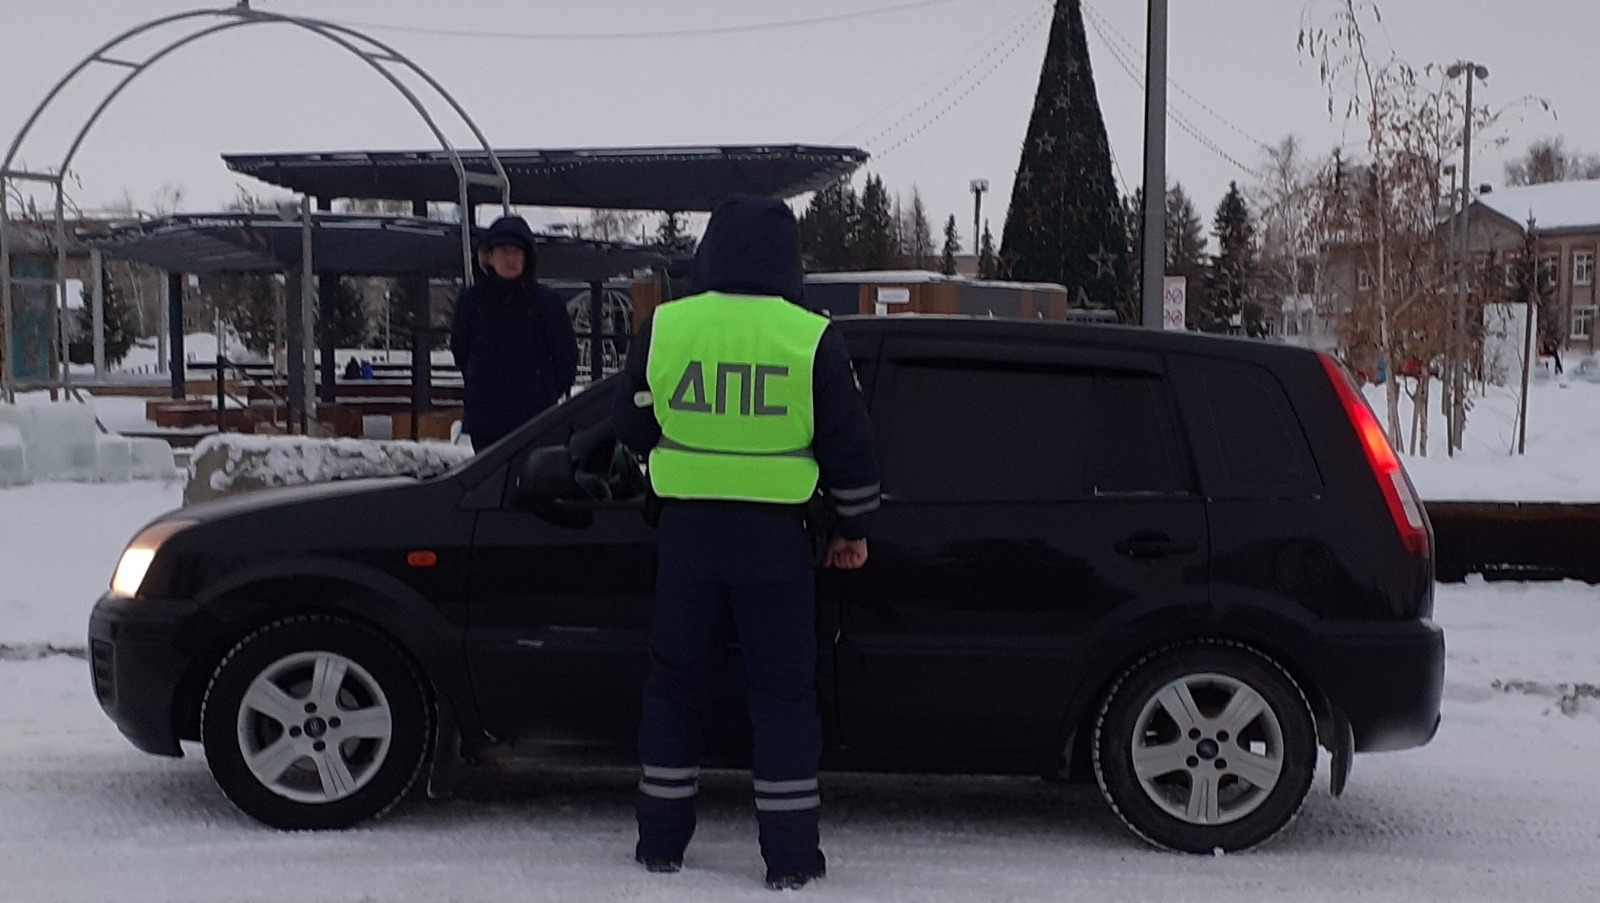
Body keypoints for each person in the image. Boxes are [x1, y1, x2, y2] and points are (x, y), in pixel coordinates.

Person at [613, 195, 879, 890]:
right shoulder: (810, 336)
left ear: (711, 250)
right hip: (776, 542)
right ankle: (790, 861)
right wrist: (851, 529)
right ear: (789, 258)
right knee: (784, 699)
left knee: (674, 688)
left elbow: (633, 428)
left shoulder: (666, 325)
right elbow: (850, 449)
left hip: (688, 536)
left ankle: (660, 846)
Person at [450, 215, 578, 451]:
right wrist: (481, 386)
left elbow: (566, 357)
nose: (512, 259)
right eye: (505, 251)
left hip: (536, 422)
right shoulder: (472, 301)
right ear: (489, 256)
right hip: (486, 422)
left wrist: (546, 394)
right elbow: (461, 349)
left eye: (518, 252)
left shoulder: (546, 303)